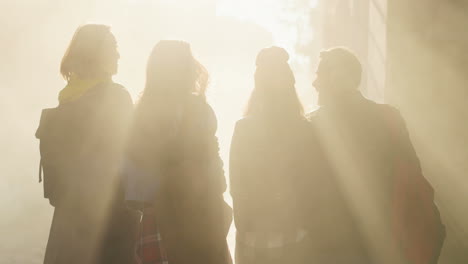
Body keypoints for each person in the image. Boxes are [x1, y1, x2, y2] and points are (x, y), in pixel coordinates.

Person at [308, 47, 444, 264]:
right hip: (388, 240)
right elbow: (413, 178)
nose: (314, 84)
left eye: (320, 75)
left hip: (330, 246)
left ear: (338, 77)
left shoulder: (313, 126)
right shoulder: (389, 118)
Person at [36, 24, 136, 264]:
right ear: (97, 54)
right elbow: (133, 157)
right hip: (110, 221)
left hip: (69, 223)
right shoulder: (116, 98)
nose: (118, 54)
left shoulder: (68, 98)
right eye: (112, 47)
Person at [126, 40, 232, 264]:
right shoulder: (199, 111)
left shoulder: (140, 116)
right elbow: (218, 180)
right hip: (200, 223)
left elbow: (136, 190)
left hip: (156, 225)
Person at [229, 46, 318, 264]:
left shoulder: (244, 128)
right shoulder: (305, 128)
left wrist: (246, 224)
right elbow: (312, 182)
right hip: (295, 235)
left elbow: (237, 184)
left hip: (254, 238)